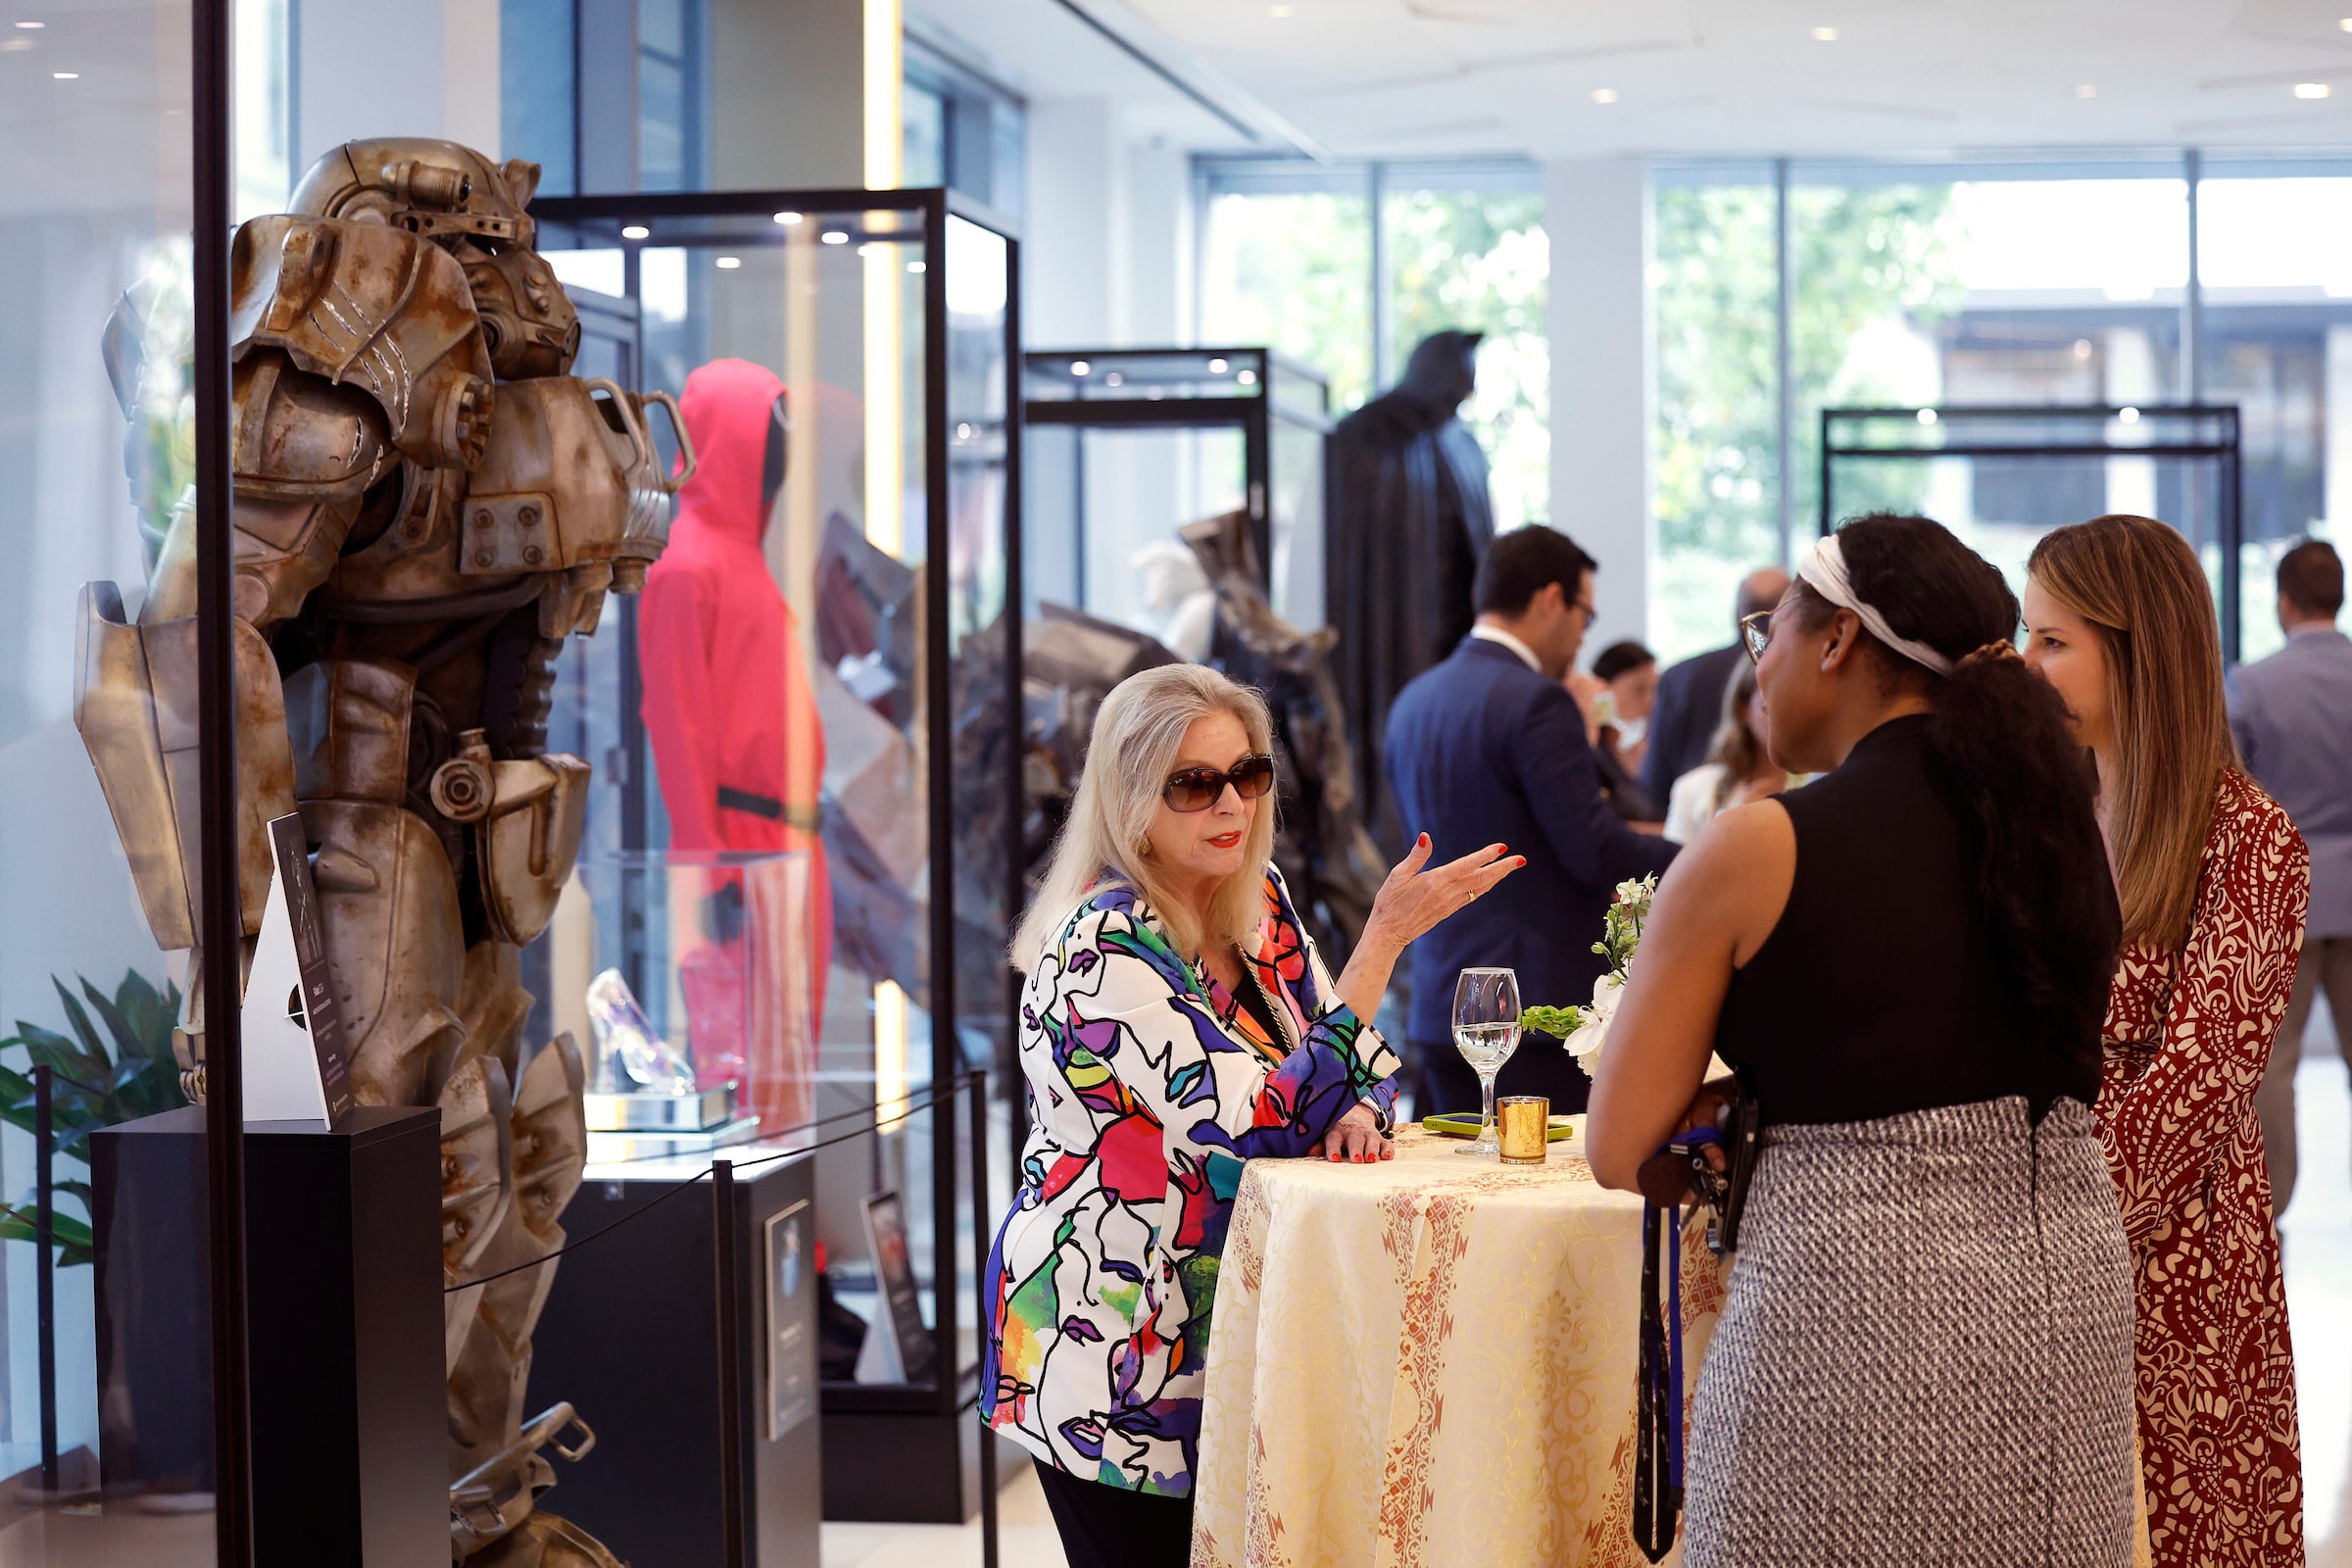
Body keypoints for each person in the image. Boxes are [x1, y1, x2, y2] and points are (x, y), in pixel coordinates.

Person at [1588, 514, 2134, 1566]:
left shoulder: (1758, 846)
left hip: (1852, 1314)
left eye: (1771, 634)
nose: (1760, 668)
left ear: (1838, 638)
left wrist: (1734, 1115)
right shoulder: (2060, 834)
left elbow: (1618, 1144)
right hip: (2064, 1303)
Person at [981, 663, 1518, 1568]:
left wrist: (1358, 1112)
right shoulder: (1103, 944)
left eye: (1248, 774)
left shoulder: (1255, 896)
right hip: (1112, 1346)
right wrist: (1382, 941)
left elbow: (1336, 1056)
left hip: (1234, 1328)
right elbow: (1252, 1123)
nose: (1231, 802)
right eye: (1195, 783)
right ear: (1130, 798)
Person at [2024, 514, 2310, 1568]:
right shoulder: (2044, 816)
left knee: (2181, 1526)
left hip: (2175, 1265)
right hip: (2035, 1244)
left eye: (2053, 640)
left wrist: (2039, 1234)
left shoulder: (2248, 839)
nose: (2026, 664)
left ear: (2136, 647)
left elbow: (2195, 1085)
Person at [1385, 525, 1678, 1116]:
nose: (1582, 636)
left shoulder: (1415, 699)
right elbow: (1593, 851)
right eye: (1585, 615)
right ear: (1551, 599)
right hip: (1528, 1007)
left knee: (1457, 1176)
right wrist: (1702, 853)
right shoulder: (1536, 701)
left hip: (1440, 1003)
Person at [2233, 539, 2352, 1213]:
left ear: (2283, 603)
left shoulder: (2252, 685)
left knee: (2273, 1067)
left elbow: (2231, 795)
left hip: (2287, 901)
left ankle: (2271, 1213)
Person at [1638, 565, 1791, 807]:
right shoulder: (1798, 673)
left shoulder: (1679, 676)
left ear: (1737, 611)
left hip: (1684, 809)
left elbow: (1654, 782)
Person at [1662, 661, 1788, 844]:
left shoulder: (1822, 782)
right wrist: (1734, 825)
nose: (1786, 715)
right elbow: (1674, 861)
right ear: (1743, 709)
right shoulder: (1693, 789)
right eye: (1770, 704)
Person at [1584, 639, 1663, 823]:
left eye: (1655, 690)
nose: (1650, 701)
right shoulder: (1592, 751)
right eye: (1639, 690)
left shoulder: (1652, 748)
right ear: (1603, 691)